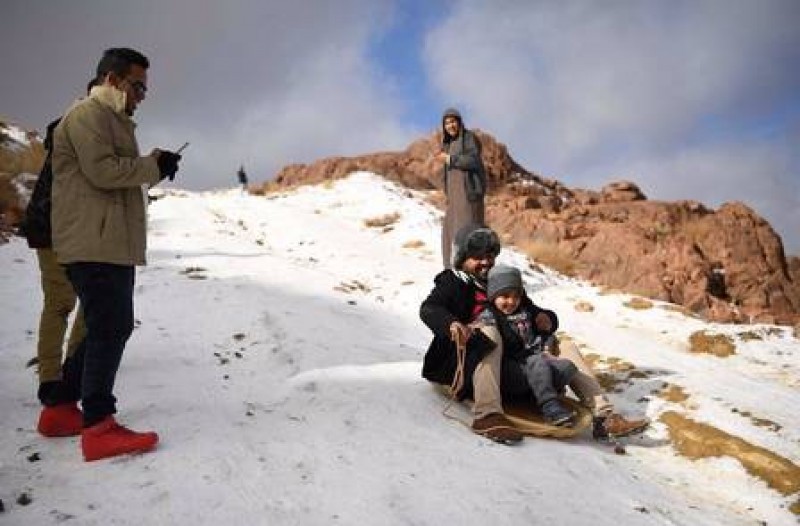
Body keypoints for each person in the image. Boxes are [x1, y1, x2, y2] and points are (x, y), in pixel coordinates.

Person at [50, 47, 182, 462]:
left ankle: (59, 411)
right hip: (95, 243)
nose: (142, 95)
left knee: (104, 326)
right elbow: (103, 172)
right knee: (112, 327)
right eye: (138, 85)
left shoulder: (111, 119)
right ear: (113, 79)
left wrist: (155, 167)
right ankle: (98, 426)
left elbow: (112, 176)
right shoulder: (89, 114)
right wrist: (150, 166)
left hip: (105, 242)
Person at [420, 224, 649, 444]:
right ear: (462, 258)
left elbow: (531, 312)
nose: (485, 262)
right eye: (477, 256)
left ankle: (604, 417)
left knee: (565, 345)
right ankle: (487, 414)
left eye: (490, 256)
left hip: (515, 369)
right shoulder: (453, 282)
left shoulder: (501, 282)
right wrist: (451, 324)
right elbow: (430, 308)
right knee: (488, 330)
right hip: (468, 366)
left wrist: (546, 318)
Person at [22, 80, 98, 434]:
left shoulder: (84, 125)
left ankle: (68, 373)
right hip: (53, 227)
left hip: (71, 228)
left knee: (83, 301)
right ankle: (53, 379)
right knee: (62, 302)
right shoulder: (75, 124)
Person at [475, 264, 578, 426]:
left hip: (534, 365)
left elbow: (543, 329)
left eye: (516, 296)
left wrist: (547, 334)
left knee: (567, 367)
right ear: (493, 296)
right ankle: (549, 406)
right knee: (536, 362)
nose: (511, 301)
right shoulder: (490, 316)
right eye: (505, 296)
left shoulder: (526, 312)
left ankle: (540, 395)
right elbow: (483, 333)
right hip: (509, 371)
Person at [434, 108, 487, 269]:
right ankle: (452, 273)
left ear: (459, 122)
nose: (451, 125)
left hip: (468, 195)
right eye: (447, 123)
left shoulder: (468, 138)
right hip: (454, 200)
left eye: (453, 121)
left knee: (467, 233)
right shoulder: (447, 144)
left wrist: (450, 159)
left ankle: (473, 272)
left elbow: (473, 161)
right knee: (449, 236)